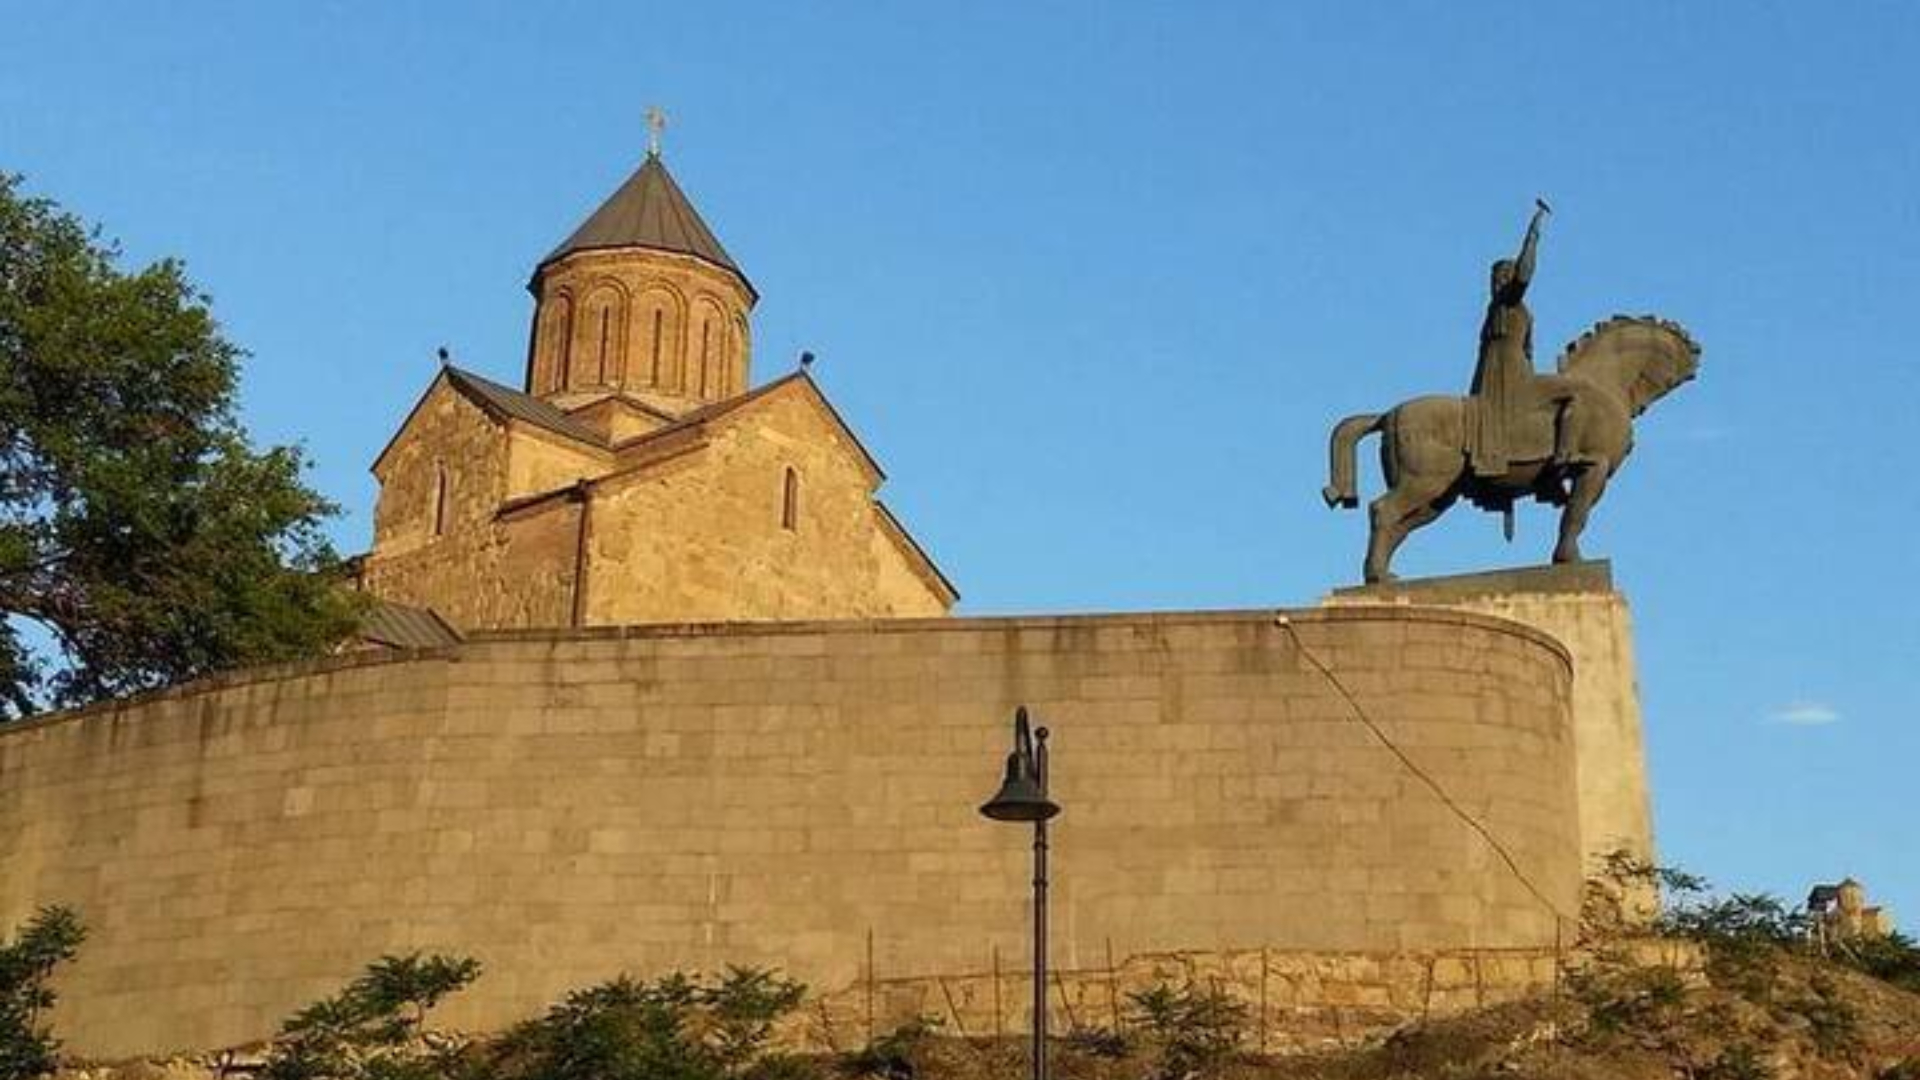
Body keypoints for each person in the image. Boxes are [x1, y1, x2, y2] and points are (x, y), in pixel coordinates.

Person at [1467, 203, 1549, 477]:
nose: (1497, 283)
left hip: (1514, 370)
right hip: (1493, 371)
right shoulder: (1497, 308)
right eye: (1494, 278)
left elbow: (1525, 272)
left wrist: (1533, 234)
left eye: (1502, 277)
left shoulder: (1514, 305)